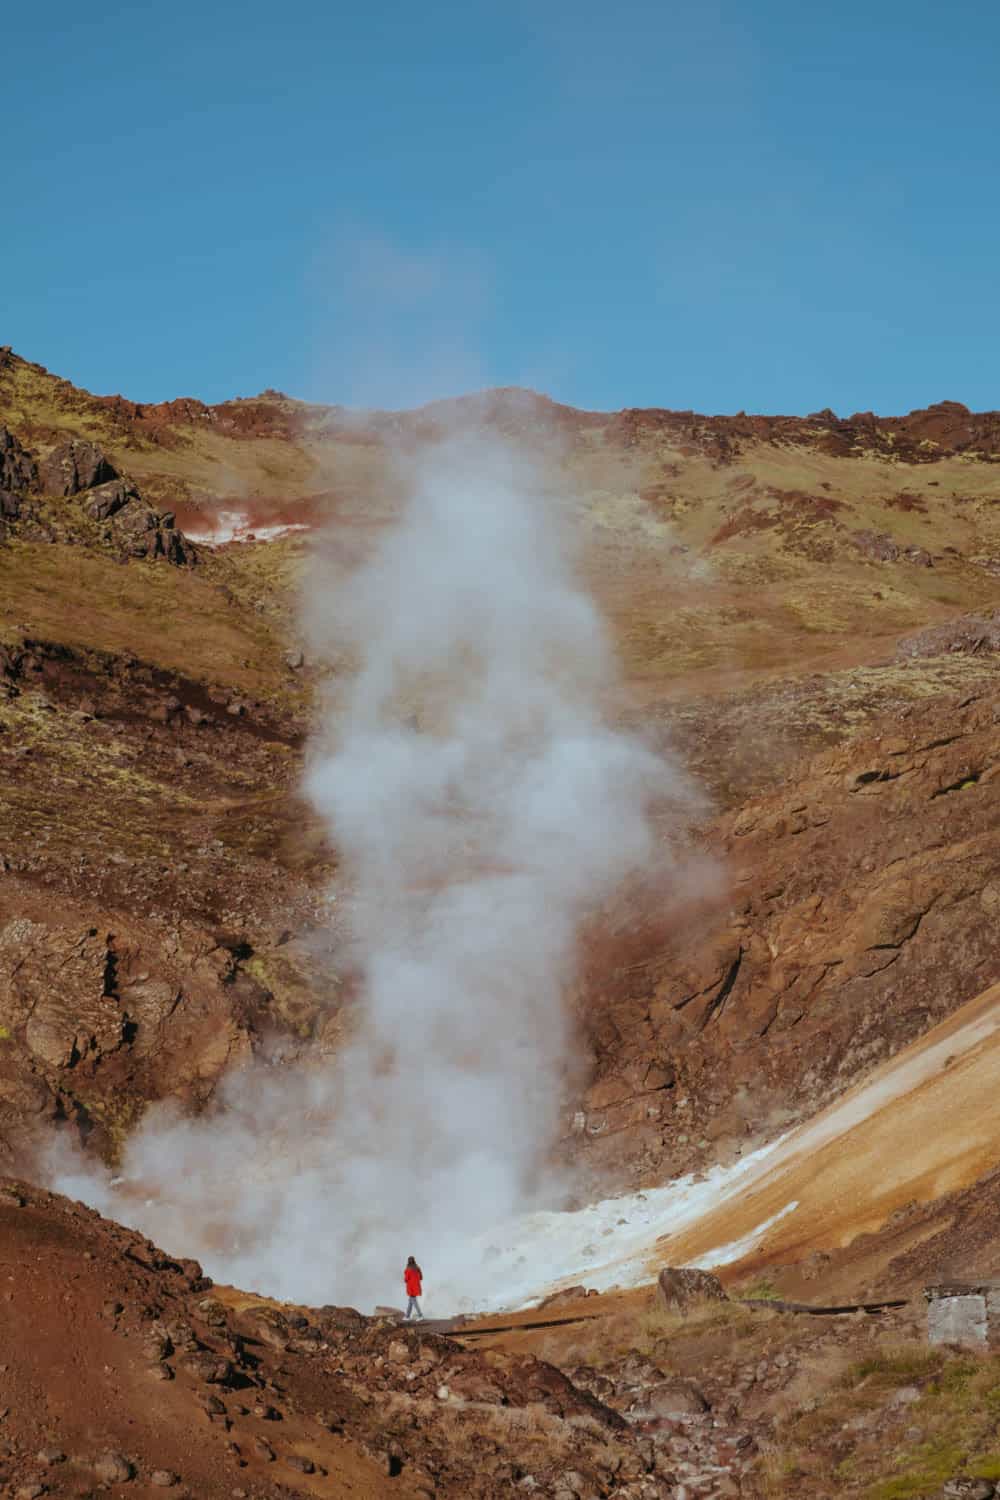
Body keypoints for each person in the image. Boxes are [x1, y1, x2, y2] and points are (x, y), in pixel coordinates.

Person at [404, 1256, 423, 1320]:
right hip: (416, 1287)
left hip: (411, 1288)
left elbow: (406, 1279)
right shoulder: (417, 1268)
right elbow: (421, 1277)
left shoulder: (408, 1269)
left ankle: (420, 1315)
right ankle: (407, 1316)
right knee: (410, 1301)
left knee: (414, 1302)